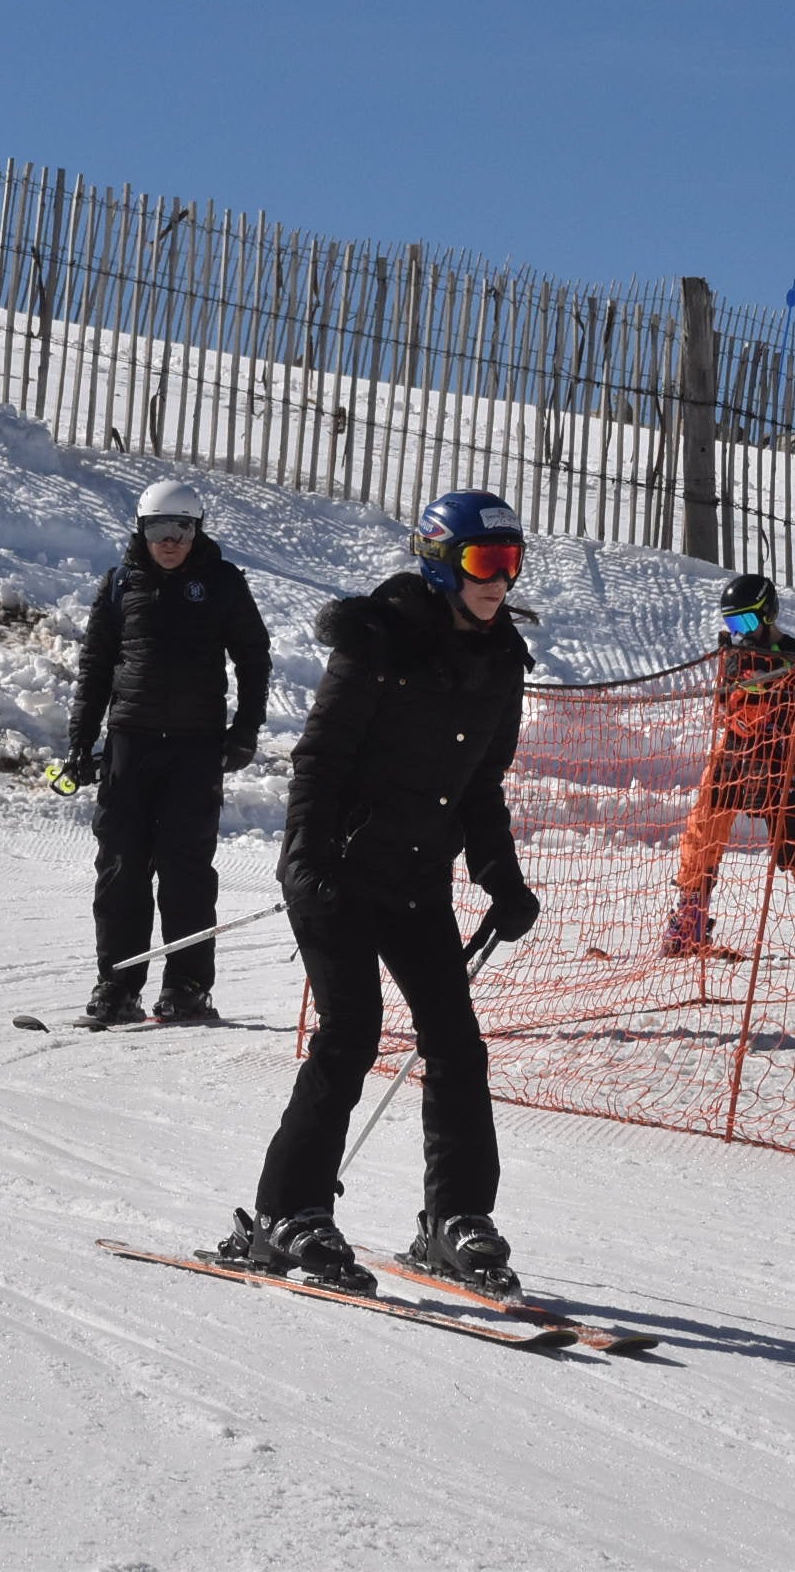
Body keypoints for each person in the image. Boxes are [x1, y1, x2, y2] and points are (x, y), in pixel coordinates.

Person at [214, 489, 544, 1297]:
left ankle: (455, 1220)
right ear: (439, 563)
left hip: (415, 878)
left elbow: (481, 788)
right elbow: (319, 763)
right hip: (335, 872)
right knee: (350, 1033)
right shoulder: (377, 643)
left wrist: (499, 877)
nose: (499, 580)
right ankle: (289, 1216)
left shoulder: (502, 660)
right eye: (483, 562)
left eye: (510, 562)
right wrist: (311, 861)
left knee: (458, 1046)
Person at [61, 480, 271, 1028]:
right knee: (121, 869)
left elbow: (254, 658)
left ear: (196, 531)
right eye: (159, 529)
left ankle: (186, 988)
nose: (171, 540)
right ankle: (117, 983)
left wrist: (244, 730)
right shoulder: (118, 585)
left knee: (186, 873)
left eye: (181, 528)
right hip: (129, 744)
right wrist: (80, 744)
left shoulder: (222, 584)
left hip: (195, 749)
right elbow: (94, 671)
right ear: (141, 529)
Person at [663, 572, 795, 960]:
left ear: (768, 615)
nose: (740, 632)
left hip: (777, 756)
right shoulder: (733, 653)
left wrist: (792, 682)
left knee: (791, 838)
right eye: (733, 624)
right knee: (704, 827)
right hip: (735, 754)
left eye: (747, 622)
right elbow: (725, 703)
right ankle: (691, 916)